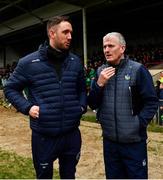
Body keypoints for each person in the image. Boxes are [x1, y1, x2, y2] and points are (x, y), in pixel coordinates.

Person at [4, 16, 87, 179]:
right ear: (52, 33)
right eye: (65, 32)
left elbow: (82, 90)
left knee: (69, 176)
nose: (70, 36)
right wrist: (27, 107)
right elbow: (10, 88)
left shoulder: (75, 61)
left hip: (71, 134)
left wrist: (81, 107)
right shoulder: (28, 62)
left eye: (71, 32)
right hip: (44, 136)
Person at [88, 32, 158, 179]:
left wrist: (138, 123)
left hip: (134, 143)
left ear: (122, 48)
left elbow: (151, 102)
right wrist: (99, 84)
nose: (106, 50)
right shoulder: (100, 71)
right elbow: (93, 103)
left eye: (111, 46)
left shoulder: (138, 70)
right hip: (110, 143)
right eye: (104, 46)